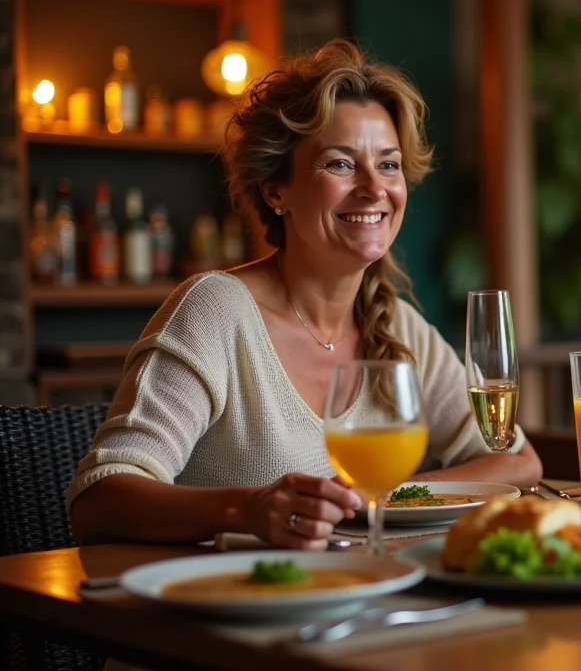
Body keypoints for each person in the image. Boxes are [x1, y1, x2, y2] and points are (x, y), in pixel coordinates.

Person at [68, 40, 542, 550]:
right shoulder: (217, 311)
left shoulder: (396, 324)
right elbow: (101, 499)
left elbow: (518, 461)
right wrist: (247, 509)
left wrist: (381, 496)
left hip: (365, 603)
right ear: (276, 191)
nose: (373, 188)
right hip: (230, 612)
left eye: (389, 164)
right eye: (340, 164)